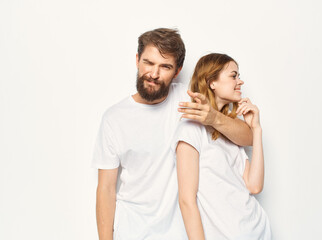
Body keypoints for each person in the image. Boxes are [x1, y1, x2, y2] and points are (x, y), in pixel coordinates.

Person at [92, 29, 253, 240]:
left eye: (165, 66)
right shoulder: (114, 119)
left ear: (177, 71)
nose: (154, 74)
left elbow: (248, 137)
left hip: (181, 232)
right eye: (148, 63)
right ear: (137, 60)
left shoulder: (191, 100)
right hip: (132, 231)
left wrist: (214, 117)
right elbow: (105, 189)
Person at [174, 53, 271, 240]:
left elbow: (254, 185)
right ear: (212, 82)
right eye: (233, 76)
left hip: (259, 231)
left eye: (239, 76)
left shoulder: (231, 131)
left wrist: (256, 129)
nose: (240, 82)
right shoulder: (190, 130)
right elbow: (187, 201)